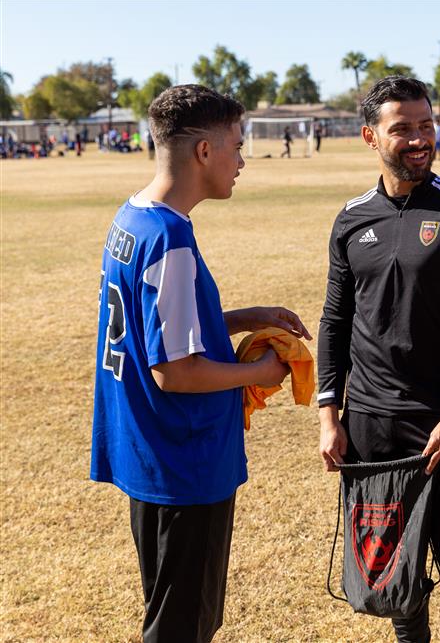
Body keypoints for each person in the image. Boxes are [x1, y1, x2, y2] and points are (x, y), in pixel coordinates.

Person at [91, 84, 311, 643]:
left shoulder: (133, 218)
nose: (242, 161)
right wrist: (260, 375)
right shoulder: (170, 240)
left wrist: (240, 316)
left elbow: (157, 327)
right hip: (184, 461)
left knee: (169, 610)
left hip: (149, 452)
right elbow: (176, 371)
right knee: (183, 626)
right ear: (204, 152)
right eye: (237, 146)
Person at [318, 75, 440, 643]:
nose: (420, 138)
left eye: (427, 125)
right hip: (371, 431)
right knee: (394, 579)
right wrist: (330, 414)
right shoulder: (351, 220)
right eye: (403, 128)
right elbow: (335, 321)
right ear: (370, 138)